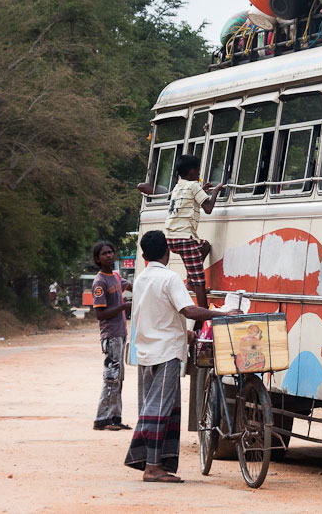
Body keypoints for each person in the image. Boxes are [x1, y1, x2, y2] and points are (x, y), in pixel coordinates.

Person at [124, 229, 236, 483]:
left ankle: (156, 463)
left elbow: (153, 314)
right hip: (165, 354)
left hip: (145, 352)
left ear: (143, 255)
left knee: (156, 407)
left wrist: (186, 335)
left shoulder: (141, 278)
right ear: (168, 252)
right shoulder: (170, 278)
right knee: (160, 409)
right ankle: (152, 467)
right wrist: (224, 314)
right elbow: (189, 310)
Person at [164, 154, 224, 309]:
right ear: (192, 172)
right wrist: (216, 190)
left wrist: (203, 190)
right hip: (184, 238)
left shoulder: (178, 186)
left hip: (170, 238)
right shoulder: (193, 185)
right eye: (198, 171)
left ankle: (190, 280)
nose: (199, 175)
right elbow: (208, 208)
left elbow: (192, 199)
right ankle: (202, 317)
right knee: (200, 281)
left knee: (205, 246)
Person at [91, 241, 132, 431]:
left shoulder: (115, 277)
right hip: (111, 335)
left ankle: (115, 417)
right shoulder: (100, 282)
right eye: (104, 253)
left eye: (110, 252)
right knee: (111, 377)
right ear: (97, 259)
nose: (108, 256)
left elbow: (130, 285)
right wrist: (123, 307)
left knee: (119, 378)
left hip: (121, 334)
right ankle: (102, 419)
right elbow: (100, 314)